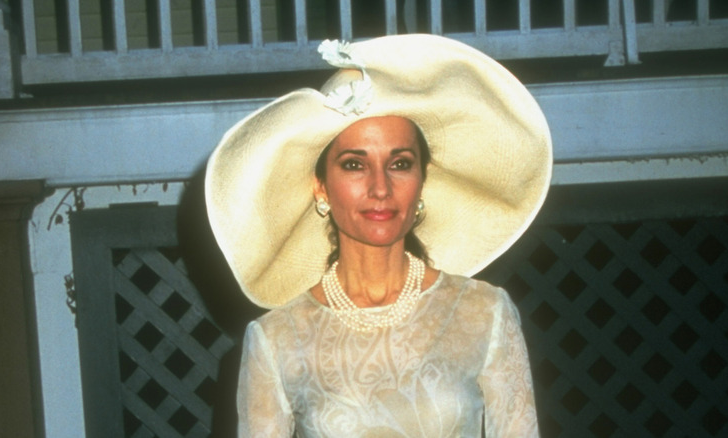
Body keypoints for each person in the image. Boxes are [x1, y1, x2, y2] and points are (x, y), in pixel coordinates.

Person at [205, 34, 552, 437]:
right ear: (321, 187)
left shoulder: (485, 313)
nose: (381, 188)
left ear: (422, 180)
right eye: (354, 165)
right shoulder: (277, 339)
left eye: (400, 163)